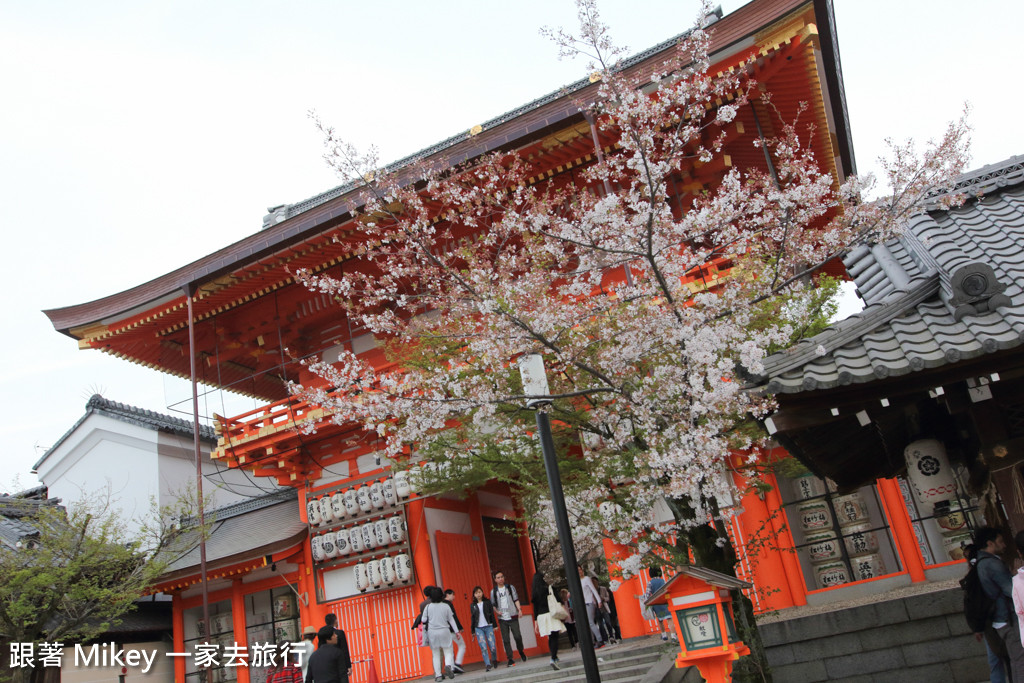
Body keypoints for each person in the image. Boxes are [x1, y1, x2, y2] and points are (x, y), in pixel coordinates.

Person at [976, 527, 1024, 681]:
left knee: (1014, 661)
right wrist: (1016, 576)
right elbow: (1011, 591)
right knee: (1019, 660)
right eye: (1000, 541)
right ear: (990, 543)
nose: (1004, 545)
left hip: (998, 620)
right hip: (1007, 619)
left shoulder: (980, 563)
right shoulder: (992, 564)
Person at [422, 585, 460, 681]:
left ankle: (438, 675)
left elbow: (423, 619)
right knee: (448, 650)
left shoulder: (428, 607)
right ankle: (448, 665)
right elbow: (451, 620)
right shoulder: (446, 606)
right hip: (444, 631)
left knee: (435, 654)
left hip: (432, 632)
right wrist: (457, 632)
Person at [491, 570, 527, 667]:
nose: (500, 579)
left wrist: (519, 609)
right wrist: (497, 611)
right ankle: (510, 658)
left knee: (517, 636)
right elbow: (493, 604)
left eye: (502, 577)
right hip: (502, 618)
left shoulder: (510, 588)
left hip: (512, 615)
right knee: (506, 639)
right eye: (498, 577)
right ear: (495, 580)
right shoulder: (493, 591)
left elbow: (516, 599)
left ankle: (521, 651)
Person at [531, 570, 566, 670]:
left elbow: (535, 608)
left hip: (541, 616)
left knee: (550, 637)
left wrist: (536, 622)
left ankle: (554, 656)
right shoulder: (549, 589)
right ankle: (553, 657)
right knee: (554, 636)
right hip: (551, 614)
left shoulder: (535, 593)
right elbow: (559, 601)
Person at [470, 586, 499, 672]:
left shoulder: (487, 602)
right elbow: (473, 618)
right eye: (476, 593)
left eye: (479, 592)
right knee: (483, 647)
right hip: (478, 628)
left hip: (488, 626)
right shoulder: (473, 605)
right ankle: (487, 664)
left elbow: (492, 614)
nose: (478, 594)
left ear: (482, 593)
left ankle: (494, 659)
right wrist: (472, 631)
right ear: (474, 595)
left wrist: (495, 625)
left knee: (492, 646)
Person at [645, 566, 675, 641]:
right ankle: (673, 635)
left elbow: (647, 594)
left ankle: (664, 635)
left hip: (657, 603)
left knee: (660, 620)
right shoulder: (663, 581)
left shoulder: (650, 583)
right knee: (669, 619)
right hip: (665, 602)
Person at [578, 566, 606, 648]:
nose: (579, 571)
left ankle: (600, 639)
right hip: (581, 604)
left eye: (580, 570)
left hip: (589, 602)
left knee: (590, 621)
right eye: (578, 570)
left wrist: (599, 601)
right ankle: (592, 641)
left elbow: (593, 589)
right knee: (586, 623)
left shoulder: (586, 579)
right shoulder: (576, 581)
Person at [443, 589, 467, 674]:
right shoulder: (449, 604)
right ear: (447, 595)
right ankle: (457, 663)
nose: (454, 597)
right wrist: (459, 628)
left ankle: (452, 667)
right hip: (452, 630)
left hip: (444, 631)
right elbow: (454, 618)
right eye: (453, 595)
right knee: (462, 645)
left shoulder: (441, 605)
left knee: (449, 650)